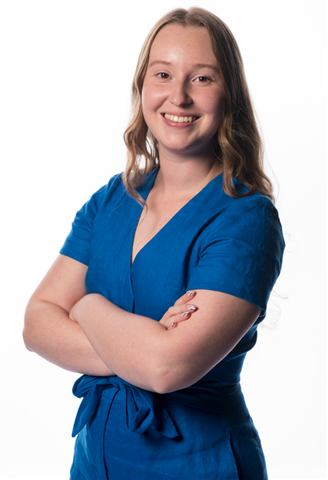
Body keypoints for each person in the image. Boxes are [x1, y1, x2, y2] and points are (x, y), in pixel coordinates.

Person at [23, 7, 284, 480]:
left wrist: (85, 306)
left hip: (199, 464)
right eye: (163, 74)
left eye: (202, 78)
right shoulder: (112, 199)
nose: (178, 96)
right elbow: (35, 325)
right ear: (143, 86)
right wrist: (140, 346)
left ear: (230, 95)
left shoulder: (246, 219)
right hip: (95, 462)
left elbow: (166, 368)